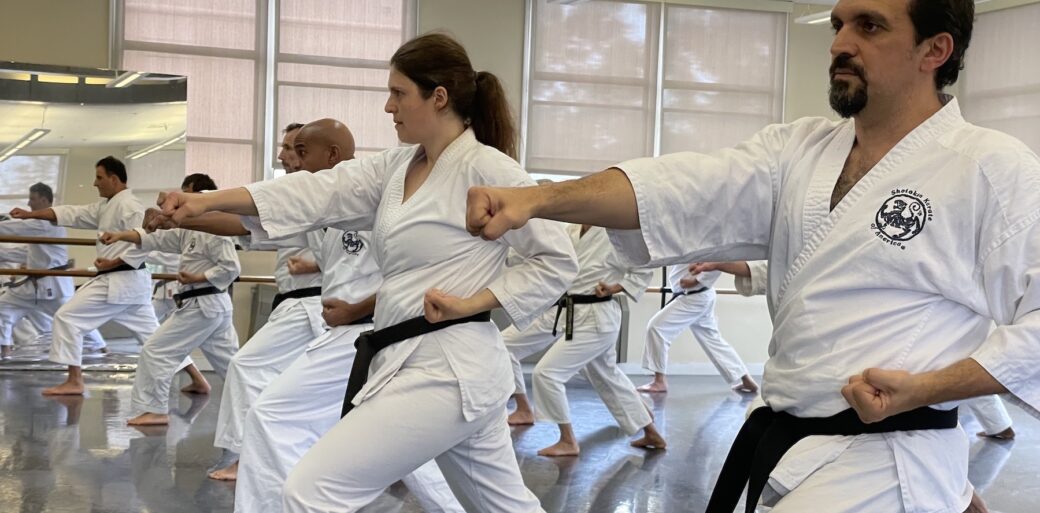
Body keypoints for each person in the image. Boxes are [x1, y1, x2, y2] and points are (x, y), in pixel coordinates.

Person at [464, 2, 1040, 511]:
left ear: (934, 50)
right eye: (839, 25)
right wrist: (537, 199)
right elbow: (683, 186)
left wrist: (927, 390)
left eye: (869, 26)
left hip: (891, 459)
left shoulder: (990, 167)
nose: (840, 42)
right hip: (795, 450)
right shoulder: (800, 150)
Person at [158, 32, 577, 513]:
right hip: (421, 361)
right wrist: (204, 201)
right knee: (504, 507)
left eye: (398, 93)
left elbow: (557, 259)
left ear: (438, 97)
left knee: (312, 490)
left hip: (448, 369)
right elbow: (313, 194)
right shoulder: (396, 168)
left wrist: (476, 301)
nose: (388, 106)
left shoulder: (488, 169)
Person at [231, 117, 463, 513]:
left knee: (275, 414)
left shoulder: (382, 199)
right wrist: (190, 211)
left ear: (333, 155)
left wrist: (355, 308)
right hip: (349, 335)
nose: (292, 161)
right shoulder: (325, 209)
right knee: (397, 445)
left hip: (375, 333)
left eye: (300, 152)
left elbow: (411, 278)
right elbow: (250, 218)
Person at [11, 157, 197, 396]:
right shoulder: (108, 206)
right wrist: (31, 215)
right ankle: (198, 378)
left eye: (99, 178)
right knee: (155, 336)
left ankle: (74, 381)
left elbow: (146, 239)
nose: (95, 183)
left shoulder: (129, 206)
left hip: (119, 279)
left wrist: (115, 261)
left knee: (67, 318)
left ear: (114, 178)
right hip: (129, 284)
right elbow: (73, 213)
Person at [502, 223, 664, 456]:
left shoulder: (616, 233)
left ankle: (567, 440)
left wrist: (615, 286)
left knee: (547, 373)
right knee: (607, 375)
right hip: (566, 310)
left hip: (596, 317)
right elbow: (543, 256)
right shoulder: (571, 230)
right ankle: (652, 434)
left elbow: (643, 268)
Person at [100, 173, 240, 426]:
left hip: (204, 304)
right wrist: (122, 235)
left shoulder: (216, 231)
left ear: (197, 196)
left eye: (185, 193)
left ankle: (154, 409)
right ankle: (257, 403)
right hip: (209, 307)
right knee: (233, 366)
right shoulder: (190, 230)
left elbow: (231, 268)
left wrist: (199, 276)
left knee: (156, 350)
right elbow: (158, 239)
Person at [0, 183, 107, 359]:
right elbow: (28, 253)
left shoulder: (47, 222)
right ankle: (5, 349)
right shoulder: (40, 226)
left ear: (43, 199)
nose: (29, 203)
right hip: (32, 287)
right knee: (3, 307)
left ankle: (101, 348)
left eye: (32, 199)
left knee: (73, 318)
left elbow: (13, 228)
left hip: (53, 285)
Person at [635, 263, 757, 394]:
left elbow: (720, 258)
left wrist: (696, 281)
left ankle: (659, 381)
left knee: (656, 328)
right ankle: (746, 380)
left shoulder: (710, 243)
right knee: (713, 340)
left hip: (694, 297)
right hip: (698, 295)